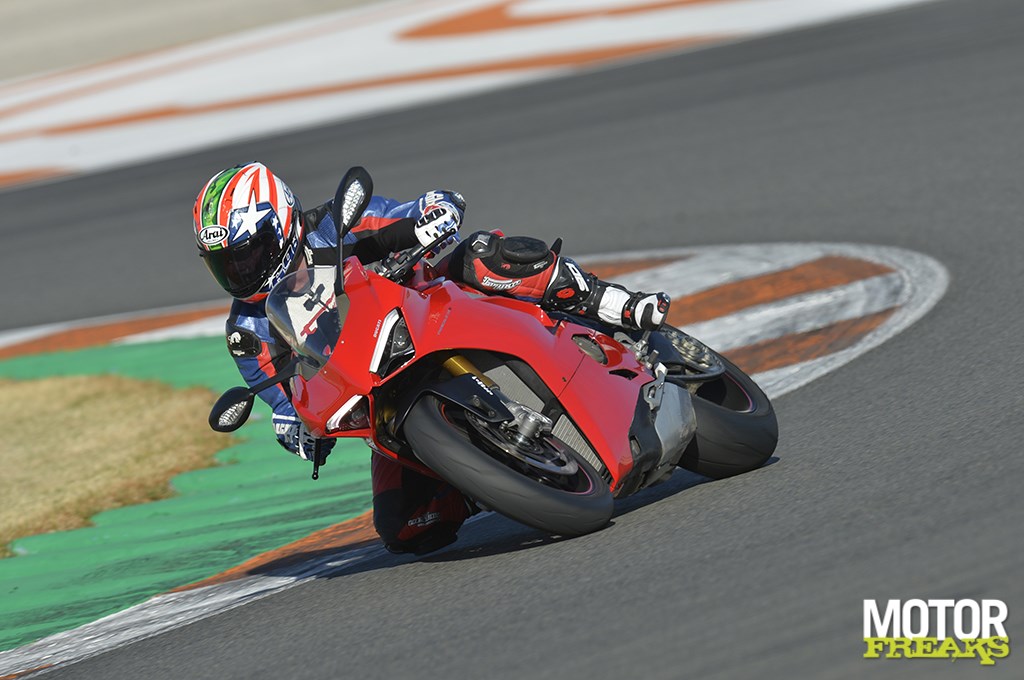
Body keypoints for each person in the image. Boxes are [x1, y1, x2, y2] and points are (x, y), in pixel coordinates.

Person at [194, 161, 670, 554]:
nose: (240, 270)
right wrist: (295, 430)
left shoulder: (335, 224)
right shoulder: (246, 330)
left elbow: (421, 208)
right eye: (225, 263)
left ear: (282, 225)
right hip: (376, 389)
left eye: (248, 253)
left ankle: (609, 302)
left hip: (431, 312)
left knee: (479, 256)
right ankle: (488, 473)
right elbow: (283, 400)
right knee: (405, 527)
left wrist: (435, 213)